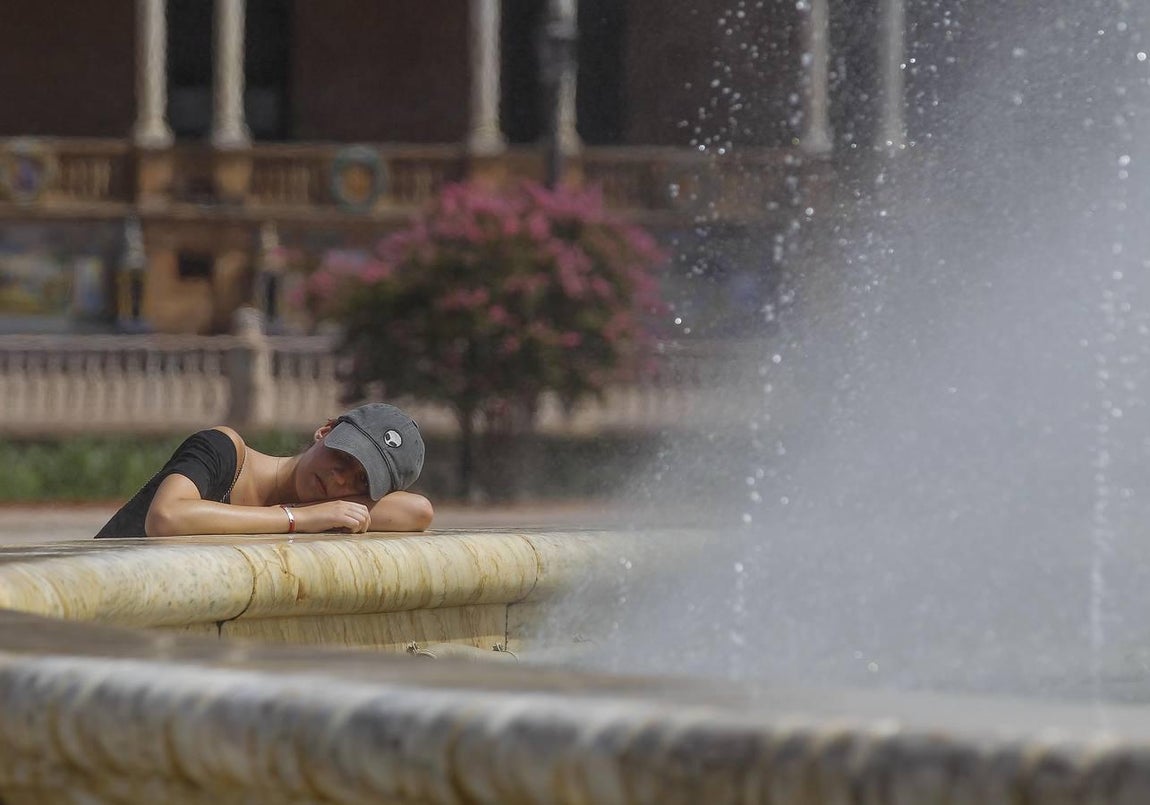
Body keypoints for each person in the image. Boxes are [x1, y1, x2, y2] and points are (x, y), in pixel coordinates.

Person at [95, 403, 433, 538]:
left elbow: (418, 511)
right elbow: (166, 517)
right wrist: (298, 519)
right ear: (325, 431)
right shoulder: (225, 449)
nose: (340, 480)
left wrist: (319, 513)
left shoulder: (325, 506)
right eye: (343, 457)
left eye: (362, 480)